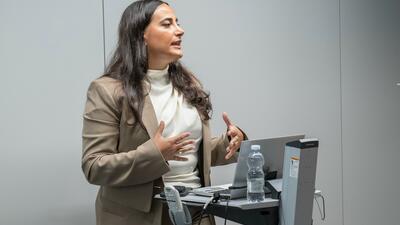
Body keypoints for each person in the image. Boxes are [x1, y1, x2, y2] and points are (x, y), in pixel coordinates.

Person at [81, 1, 246, 224]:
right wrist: (154, 154)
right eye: (167, 24)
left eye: (177, 23)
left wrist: (229, 143)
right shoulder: (106, 90)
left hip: (197, 210)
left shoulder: (189, 84)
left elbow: (189, 151)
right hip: (141, 217)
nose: (180, 30)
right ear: (141, 35)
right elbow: (94, 166)